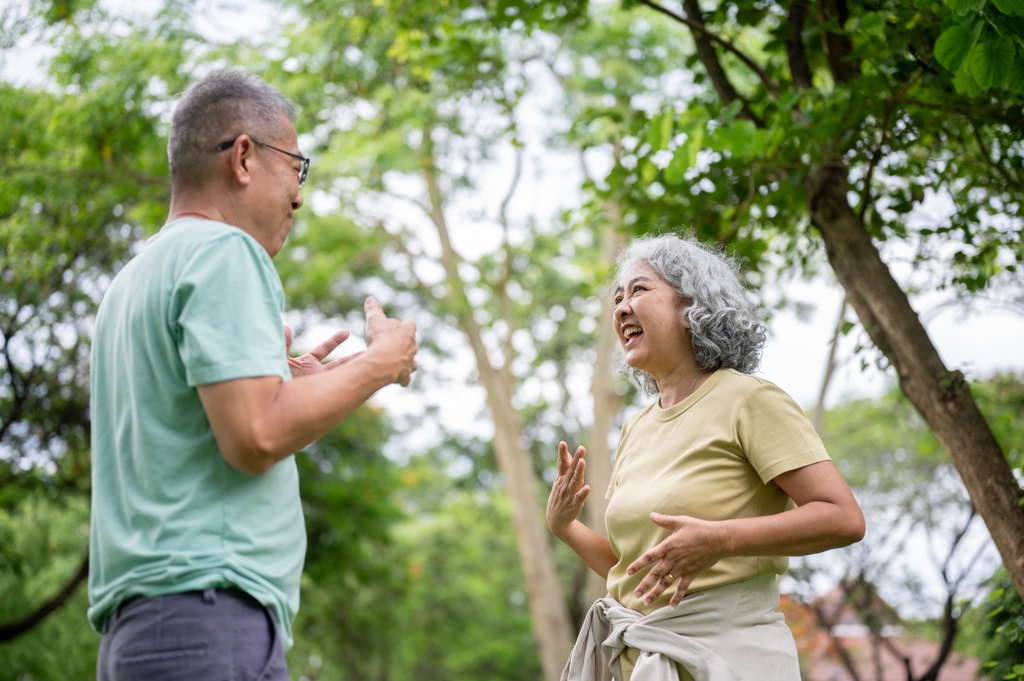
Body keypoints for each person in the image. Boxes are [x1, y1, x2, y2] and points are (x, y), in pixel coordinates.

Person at [88, 69, 418, 681]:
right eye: (297, 167)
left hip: (145, 631)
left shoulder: (133, 280)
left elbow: (218, 429)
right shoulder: (225, 251)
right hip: (207, 620)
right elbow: (255, 436)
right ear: (244, 157)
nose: (298, 196)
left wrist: (300, 389)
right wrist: (380, 364)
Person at [547, 234, 865, 681]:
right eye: (617, 297)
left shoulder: (749, 399)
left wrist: (722, 539)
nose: (620, 307)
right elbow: (638, 575)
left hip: (730, 662)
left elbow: (843, 518)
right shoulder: (636, 428)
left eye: (638, 290)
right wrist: (564, 527)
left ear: (692, 305)